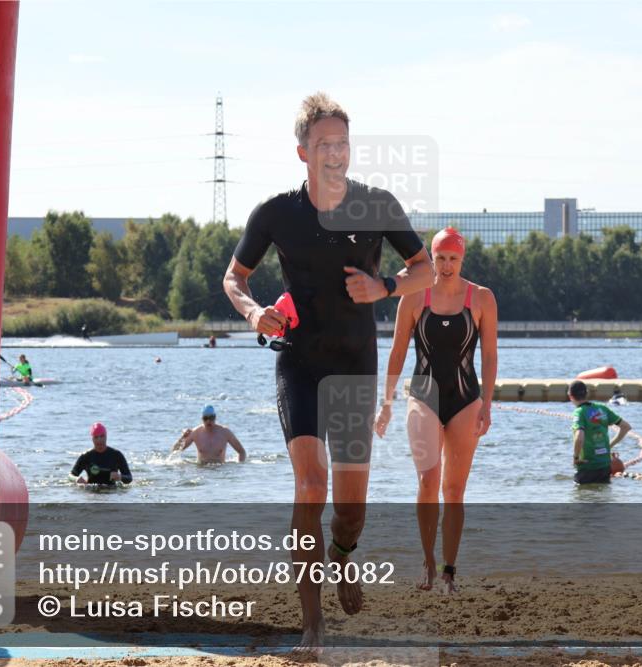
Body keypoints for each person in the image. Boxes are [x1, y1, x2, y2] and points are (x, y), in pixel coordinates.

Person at [222, 92, 433, 650]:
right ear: (302, 153)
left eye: (342, 143)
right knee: (310, 486)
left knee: (350, 511)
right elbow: (234, 278)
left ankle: (342, 554)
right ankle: (312, 626)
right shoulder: (275, 213)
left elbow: (425, 269)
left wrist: (384, 287)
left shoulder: (378, 204)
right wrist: (254, 313)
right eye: (323, 145)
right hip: (299, 362)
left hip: (354, 365)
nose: (335, 153)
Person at [374, 227, 497, 594]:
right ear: (431, 258)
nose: (445, 266)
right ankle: (427, 561)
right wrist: (386, 403)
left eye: (452, 259)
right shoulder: (413, 297)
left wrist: (487, 404)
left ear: (462, 259)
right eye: (439, 258)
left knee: (454, 490)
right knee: (428, 481)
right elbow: (397, 353)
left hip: (465, 400)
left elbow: (490, 355)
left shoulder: (482, 298)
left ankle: (449, 571)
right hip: (423, 398)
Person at [568, 380, 631, 484]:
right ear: (586, 393)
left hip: (587, 466)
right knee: (602, 495)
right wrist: (609, 446)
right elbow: (626, 427)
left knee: (582, 496)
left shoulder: (579, 412)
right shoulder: (602, 408)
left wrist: (575, 457)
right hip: (605, 465)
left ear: (570, 396)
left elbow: (579, 437)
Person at [171, 405, 246, 463]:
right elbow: (174, 450)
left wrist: (239, 467)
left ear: (215, 417)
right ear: (202, 419)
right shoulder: (195, 433)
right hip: (202, 470)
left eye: (211, 418)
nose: (208, 421)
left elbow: (242, 452)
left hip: (220, 470)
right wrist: (183, 438)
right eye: (205, 418)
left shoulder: (225, 432)